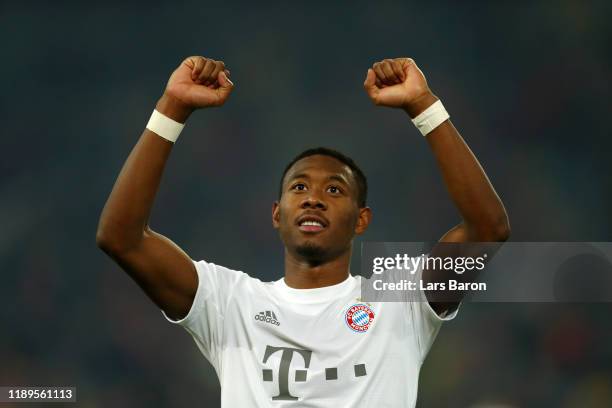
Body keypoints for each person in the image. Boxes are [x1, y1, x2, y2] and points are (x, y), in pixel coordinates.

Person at [96, 55, 510, 407]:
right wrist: (172, 107)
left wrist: (424, 105)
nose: (313, 198)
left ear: (361, 219)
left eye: (334, 189)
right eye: (299, 187)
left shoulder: (400, 305)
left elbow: (487, 228)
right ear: (277, 214)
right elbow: (122, 238)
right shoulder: (229, 304)